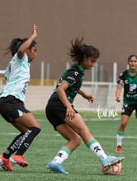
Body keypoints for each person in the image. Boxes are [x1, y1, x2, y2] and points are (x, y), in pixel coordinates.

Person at [45, 37, 124, 174]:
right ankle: (104, 158)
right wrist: (69, 107)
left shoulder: (76, 71)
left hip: (51, 108)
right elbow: (60, 89)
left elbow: (69, 86)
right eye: (92, 61)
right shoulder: (75, 72)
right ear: (84, 58)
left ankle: (56, 162)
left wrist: (83, 94)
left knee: (75, 139)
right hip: (60, 104)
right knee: (84, 130)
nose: (93, 65)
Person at [0, 24, 41, 171]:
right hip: (11, 100)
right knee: (35, 128)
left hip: (6, 102)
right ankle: (18, 155)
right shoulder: (19, 58)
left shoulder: (16, 65)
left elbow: (8, 77)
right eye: (34, 50)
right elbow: (21, 50)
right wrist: (33, 36)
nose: (35, 54)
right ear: (27, 49)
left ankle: (5, 156)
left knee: (25, 132)